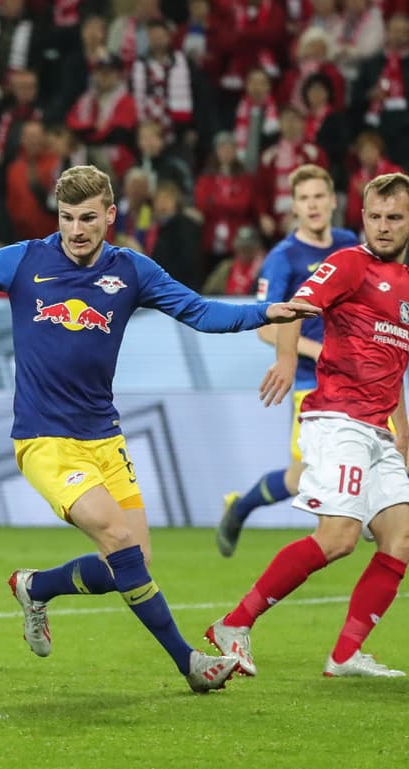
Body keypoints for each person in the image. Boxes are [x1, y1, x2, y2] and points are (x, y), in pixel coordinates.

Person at [0, 165, 317, 693]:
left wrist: (265, 312)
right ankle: (190, 664)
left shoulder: (131, 271)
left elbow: (199, 313)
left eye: (88, 218)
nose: (77, 229)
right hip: (44, 440)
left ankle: (37, 586)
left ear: (110, 215)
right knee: (117, 539)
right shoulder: (25, 260)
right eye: (67, 218)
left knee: (133, 563)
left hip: (104, 439)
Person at [207, 172, 409, 679]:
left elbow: (394, 360)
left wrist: (402, 428)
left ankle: (344, 656)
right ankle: (234, 623)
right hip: (338, 419)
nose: (384, 227)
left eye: (395, 218)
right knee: (339, 537)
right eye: (376, 217)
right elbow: (296, 309)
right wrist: (282, 359)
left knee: (401, 537)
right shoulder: (347, 263)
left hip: (380, 428)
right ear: (362, 217)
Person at [217, 165, 361, 556]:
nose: (312, 205)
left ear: (333, 200)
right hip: (309, 382)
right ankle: (241, 506)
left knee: (386, 446)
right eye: (304, 199)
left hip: (358, 379)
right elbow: (265, 326)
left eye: (319, 196)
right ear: (294, 207)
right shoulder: (283, 259)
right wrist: (319, 351)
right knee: (300, 480)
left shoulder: (350, 244)